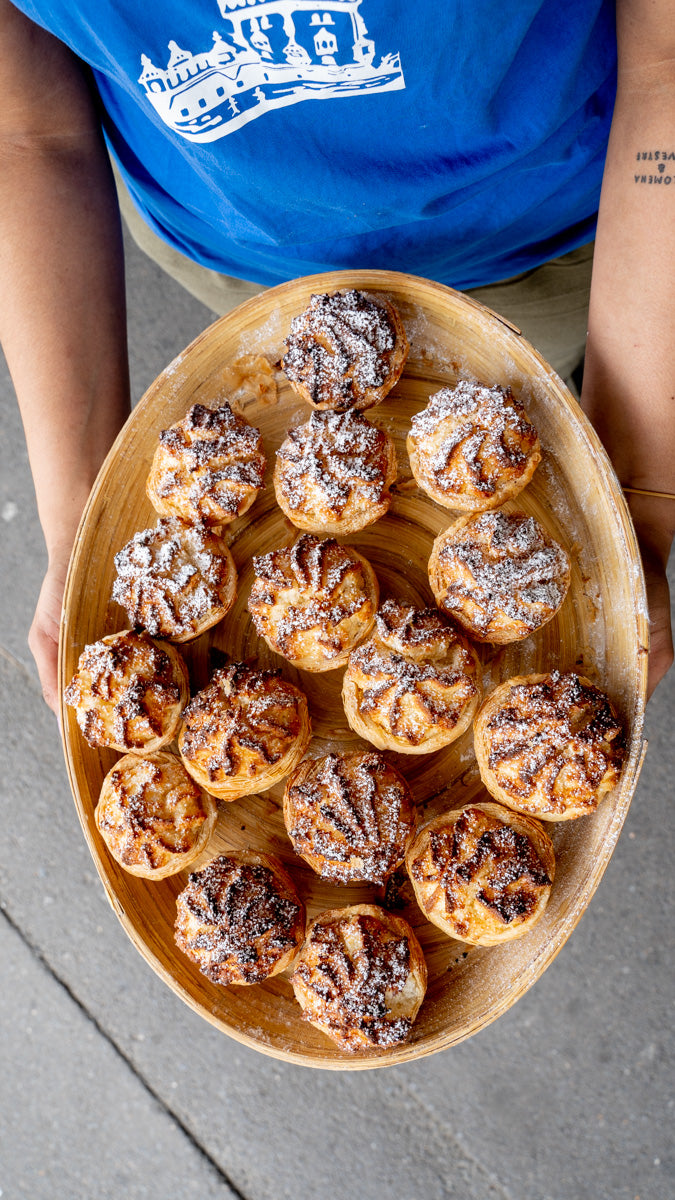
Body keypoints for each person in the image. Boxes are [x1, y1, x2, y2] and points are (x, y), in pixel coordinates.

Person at [1, 0, 673, 712]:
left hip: (548, 236)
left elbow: (663, 67)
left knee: (538, 395)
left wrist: (640, 498)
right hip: (230, 246)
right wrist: (80, 521)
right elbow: (26, 135)